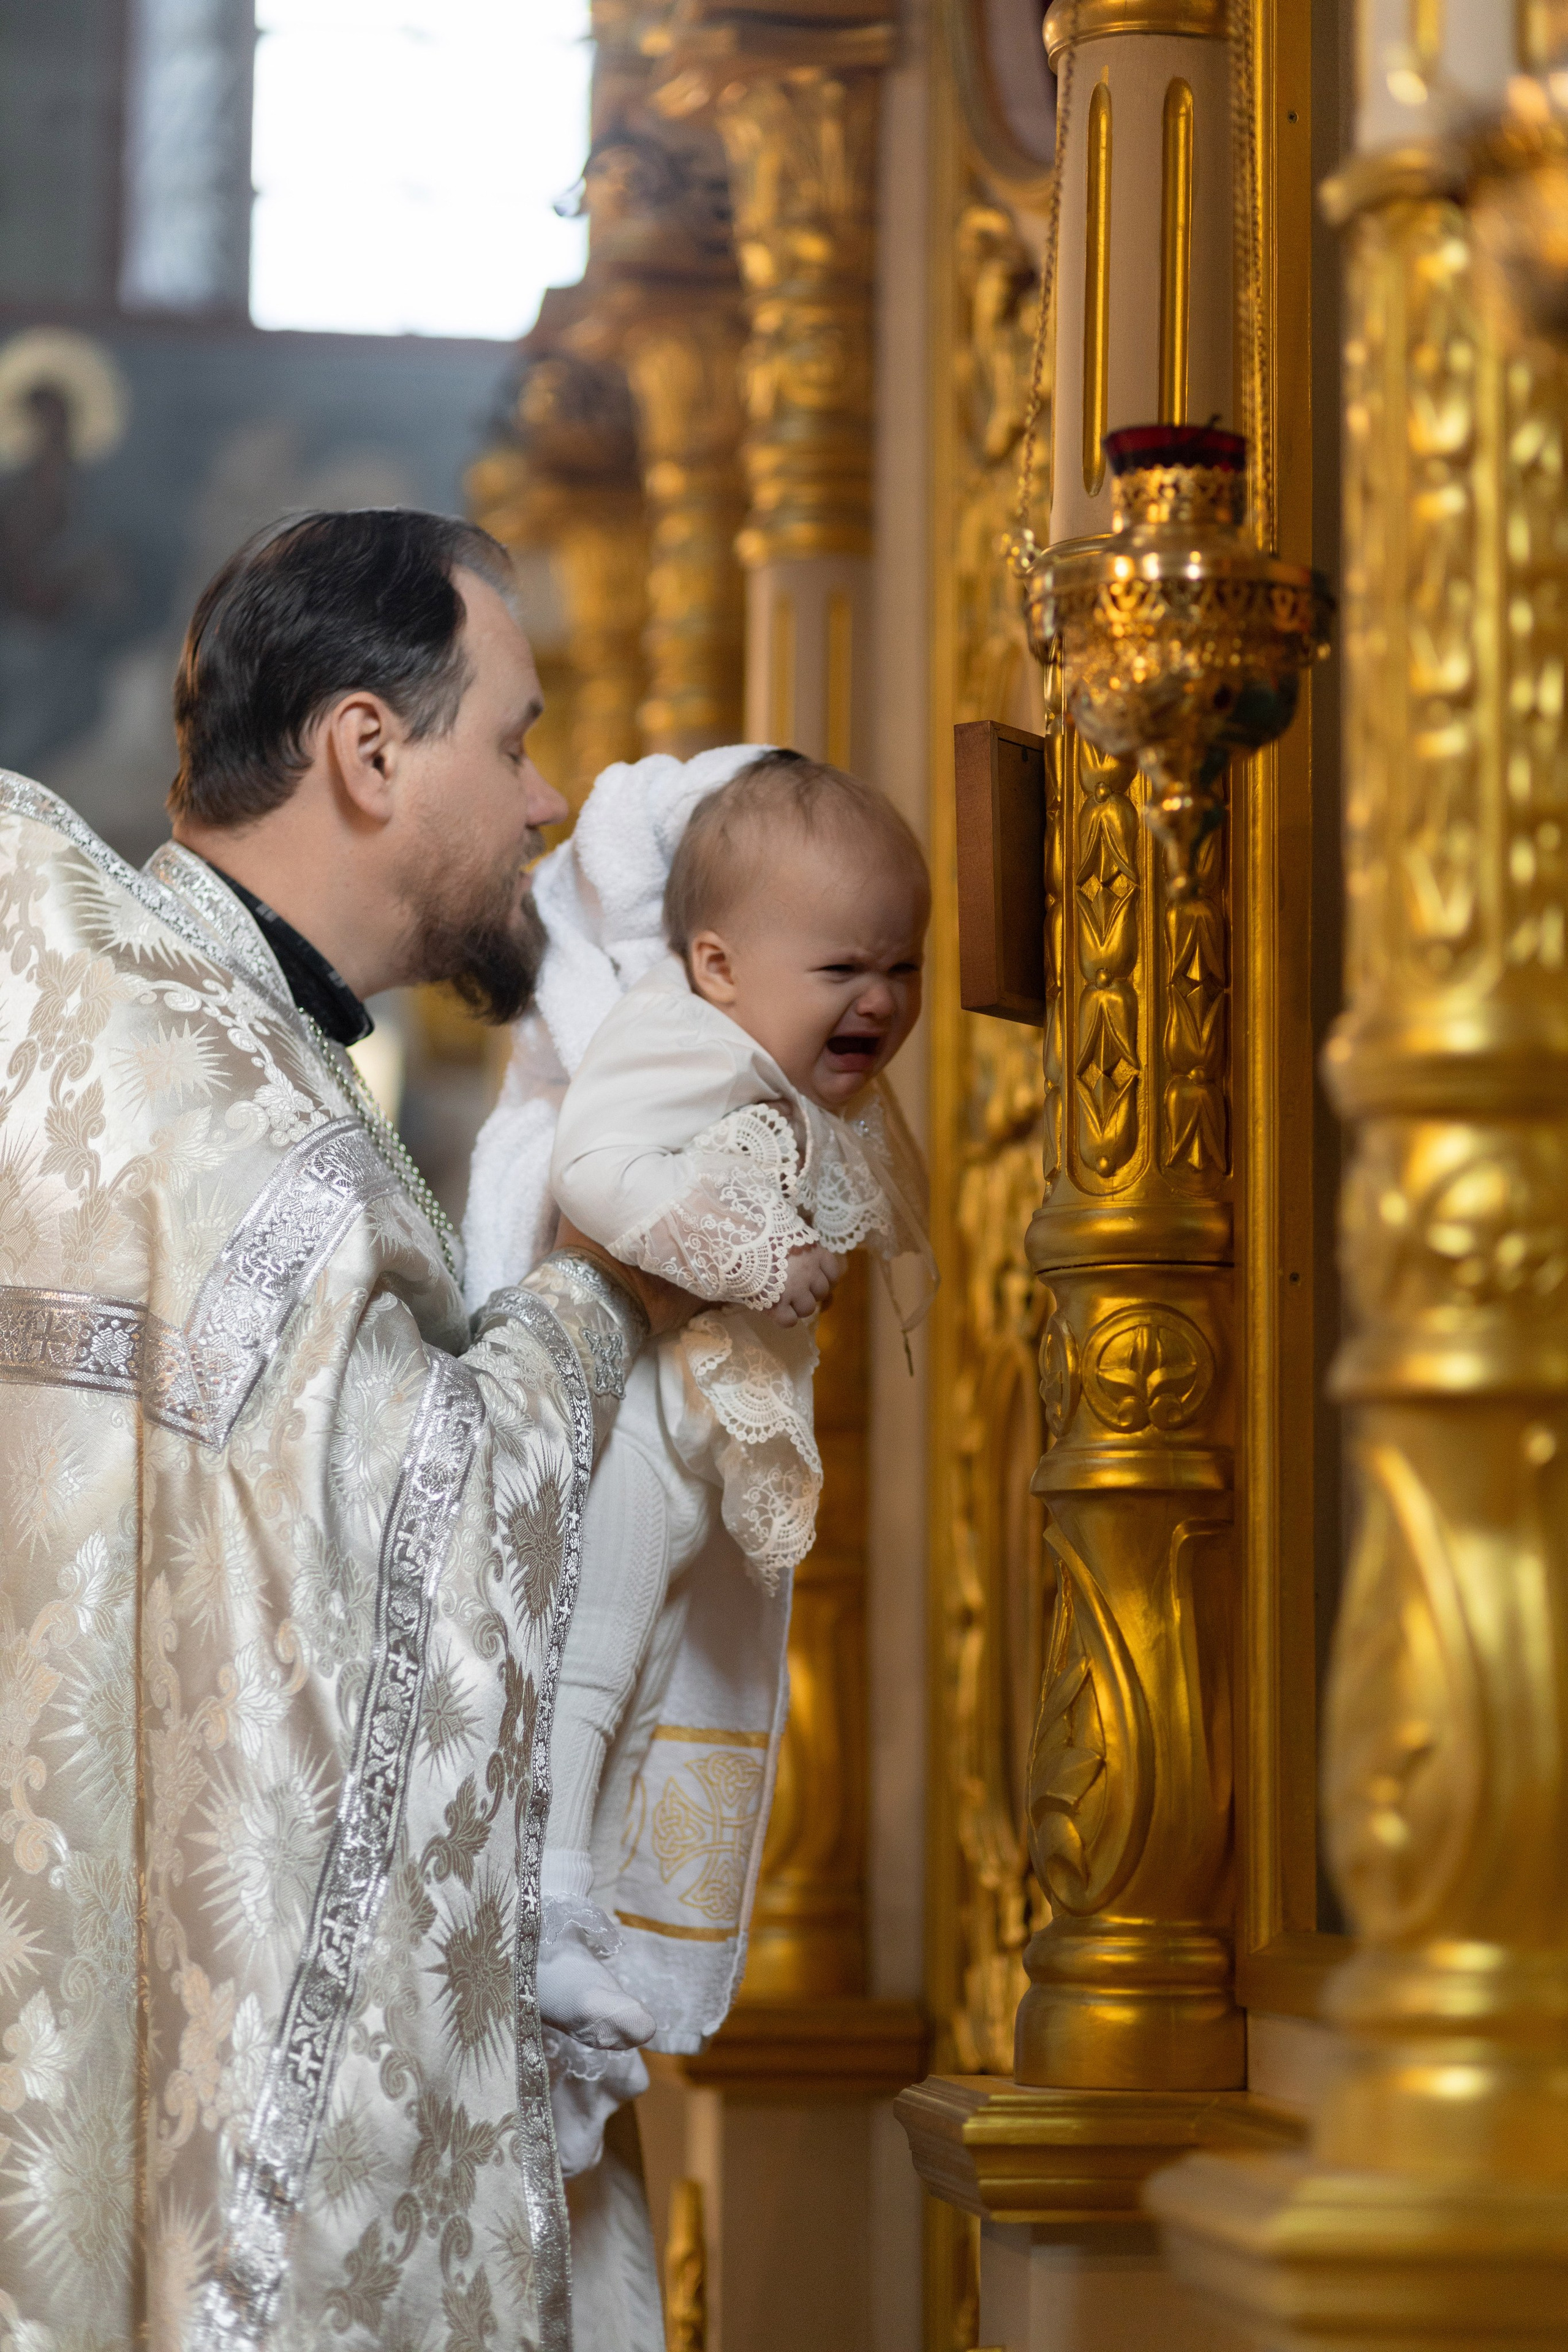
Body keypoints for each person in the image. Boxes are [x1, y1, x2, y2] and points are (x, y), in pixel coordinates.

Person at [0, 507, 686, 2352]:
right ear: (368, 751)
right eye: (518, 740)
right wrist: (614, 1290)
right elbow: (428, 1530)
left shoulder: (130, 1020)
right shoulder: (237, 1126)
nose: (544, 804)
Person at [463, 747, 933, 2348]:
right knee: (600, 1650)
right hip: (624, 1418)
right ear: (717, 966)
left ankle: (584, 1919)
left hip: (679, 1420)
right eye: (842, 966)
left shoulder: (772, 1066)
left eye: (902, 965)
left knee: (656, 1671)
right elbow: (598, 1171)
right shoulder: (676, 1041)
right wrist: (748, 1255)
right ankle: (560, 1897)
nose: (877, 998)